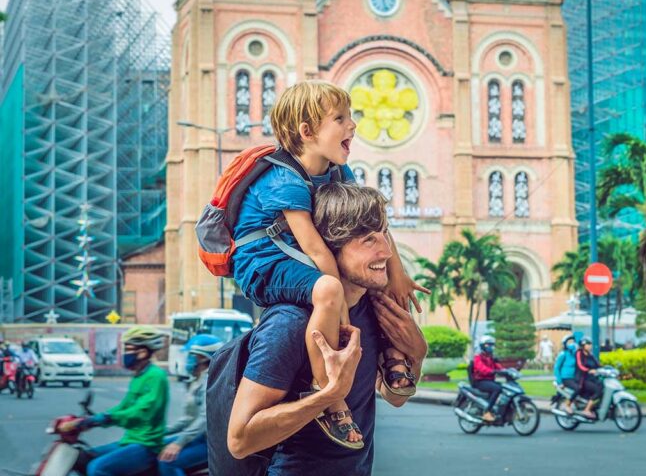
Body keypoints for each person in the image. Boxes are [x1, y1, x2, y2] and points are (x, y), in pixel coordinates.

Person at [232, 81, 425, 449]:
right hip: (263, 263)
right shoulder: (284, 179)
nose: (352, 125)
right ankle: (329, 395)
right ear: (307, 132)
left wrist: (398, 277)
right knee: (329, 288)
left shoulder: (338, 170)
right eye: (340, 119)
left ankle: (395, 361)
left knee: (381, 282)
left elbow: (375, 220)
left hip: (300, 259)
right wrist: (340, 312)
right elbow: (317, 252)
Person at [227, 182, 427, 475]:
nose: (386, 252)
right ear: (330, 249)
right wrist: (328, 396)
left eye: (384, 234)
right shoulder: (290, 324)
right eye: (368, 240)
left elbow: (394, 397)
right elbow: (240, 440)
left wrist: (417, 355)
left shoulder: (373, 309)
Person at [65, 326, 169, 476]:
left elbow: (141, 411)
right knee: (81, 458)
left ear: (143, 352)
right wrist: (93, 421)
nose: (124, 354)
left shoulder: (156, 376)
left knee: (97, 469)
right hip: (130, 440)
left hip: (147, 445)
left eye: (128, 349)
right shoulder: (139, 376)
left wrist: (107, 418)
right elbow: (124, 407)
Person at [157, 334, 222, 476]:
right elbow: (189, 419)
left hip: (213, 444)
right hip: (200, 437)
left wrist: (179, 443)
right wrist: (161, 432)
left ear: (204, 357)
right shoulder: (196, 380)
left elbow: (205, 419)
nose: (188, 359)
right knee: (157, 447)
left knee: (167, 461)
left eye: (192, 355)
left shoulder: (210, 381)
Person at [471, 335, 504, 422]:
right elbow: (481, 368)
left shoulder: (491, 357)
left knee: (504, 388)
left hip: (489, 380)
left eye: (491, 345)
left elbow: (498, 366)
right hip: (480, 381)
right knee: (497, 388)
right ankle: (487, 412)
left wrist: (505, 371)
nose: (490, 347)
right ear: (482, 346)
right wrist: (491, 371)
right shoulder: (478, 357)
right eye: (488, 345)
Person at [575, 337, 603, 419]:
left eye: (590, 344)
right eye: (588, 344)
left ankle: (595, 407)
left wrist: (605, 368)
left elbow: (598, 365)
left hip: (592, 378)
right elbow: (580, 365)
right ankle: (587, 409)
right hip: (582, 379)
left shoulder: (591, 355)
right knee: (598, 390)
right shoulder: (579, 353)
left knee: (603, 386)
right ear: (583, 345)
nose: (590, 346)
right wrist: (589, 370)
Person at [553, 334, 578, 414]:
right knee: (577, 388)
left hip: (575, 377)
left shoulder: (575, 354)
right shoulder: (563, 354)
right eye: (569, 342)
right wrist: (560, 382)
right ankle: (568, 405)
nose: (572, 345)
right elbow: (557, 367)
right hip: (566, 378)